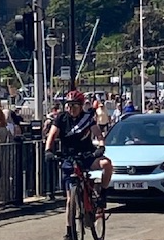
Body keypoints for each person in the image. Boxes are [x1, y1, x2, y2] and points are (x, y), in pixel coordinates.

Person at [44, 90, 113, 240]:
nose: (71, 108)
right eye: (69, 105)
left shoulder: (87, 118)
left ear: (81, 106)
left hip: (87, 155)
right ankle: (70, 230)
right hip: (69, 157)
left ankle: (102, 193)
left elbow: (98, 134)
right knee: (70, 199)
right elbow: (52, 135)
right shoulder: (61, 118)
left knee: (107, 164)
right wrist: (48, 150)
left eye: (75, 105)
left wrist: (101, 146)